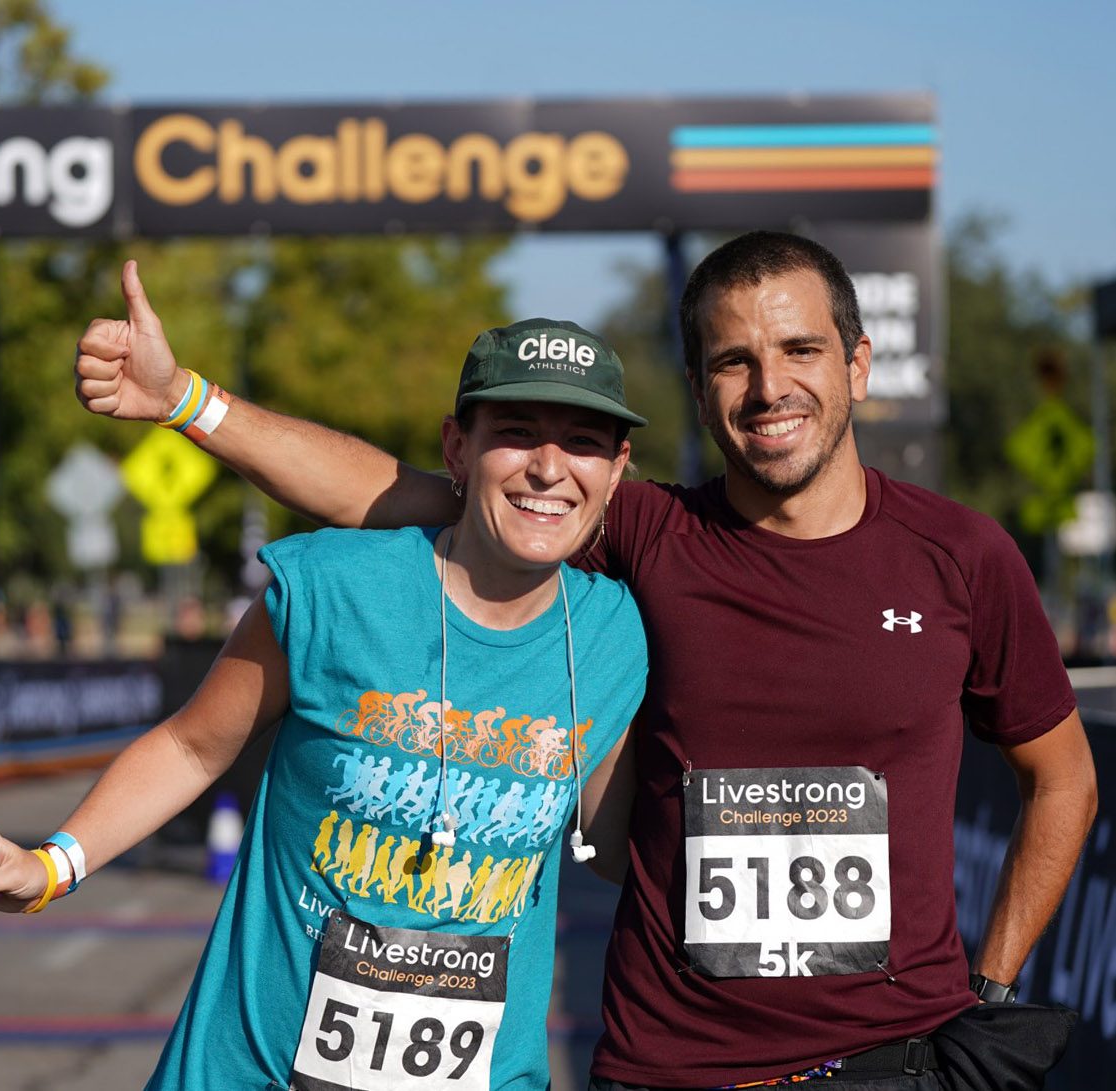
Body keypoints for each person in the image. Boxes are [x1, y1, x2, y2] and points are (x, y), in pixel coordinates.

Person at [73, 239, 1099, 1089]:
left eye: (800, 349)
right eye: (733, 361)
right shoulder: (642, 531)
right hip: (673, 1062)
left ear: (858, 365)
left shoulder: (963, 556)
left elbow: (1061, 775)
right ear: (698, 391)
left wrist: (993, 985)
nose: (769, 385)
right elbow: (394, 490)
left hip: (895, 1057)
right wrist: (186, 402)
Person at [0, 302, 652, 1090]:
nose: (548, 466)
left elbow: (619, 836)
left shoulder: (619, 631)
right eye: (517, 431)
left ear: (619, 466)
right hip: (247, 1072)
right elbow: (191, 746)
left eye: (584, 442)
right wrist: (50, 866)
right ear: (457, 447)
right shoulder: (332, 586)